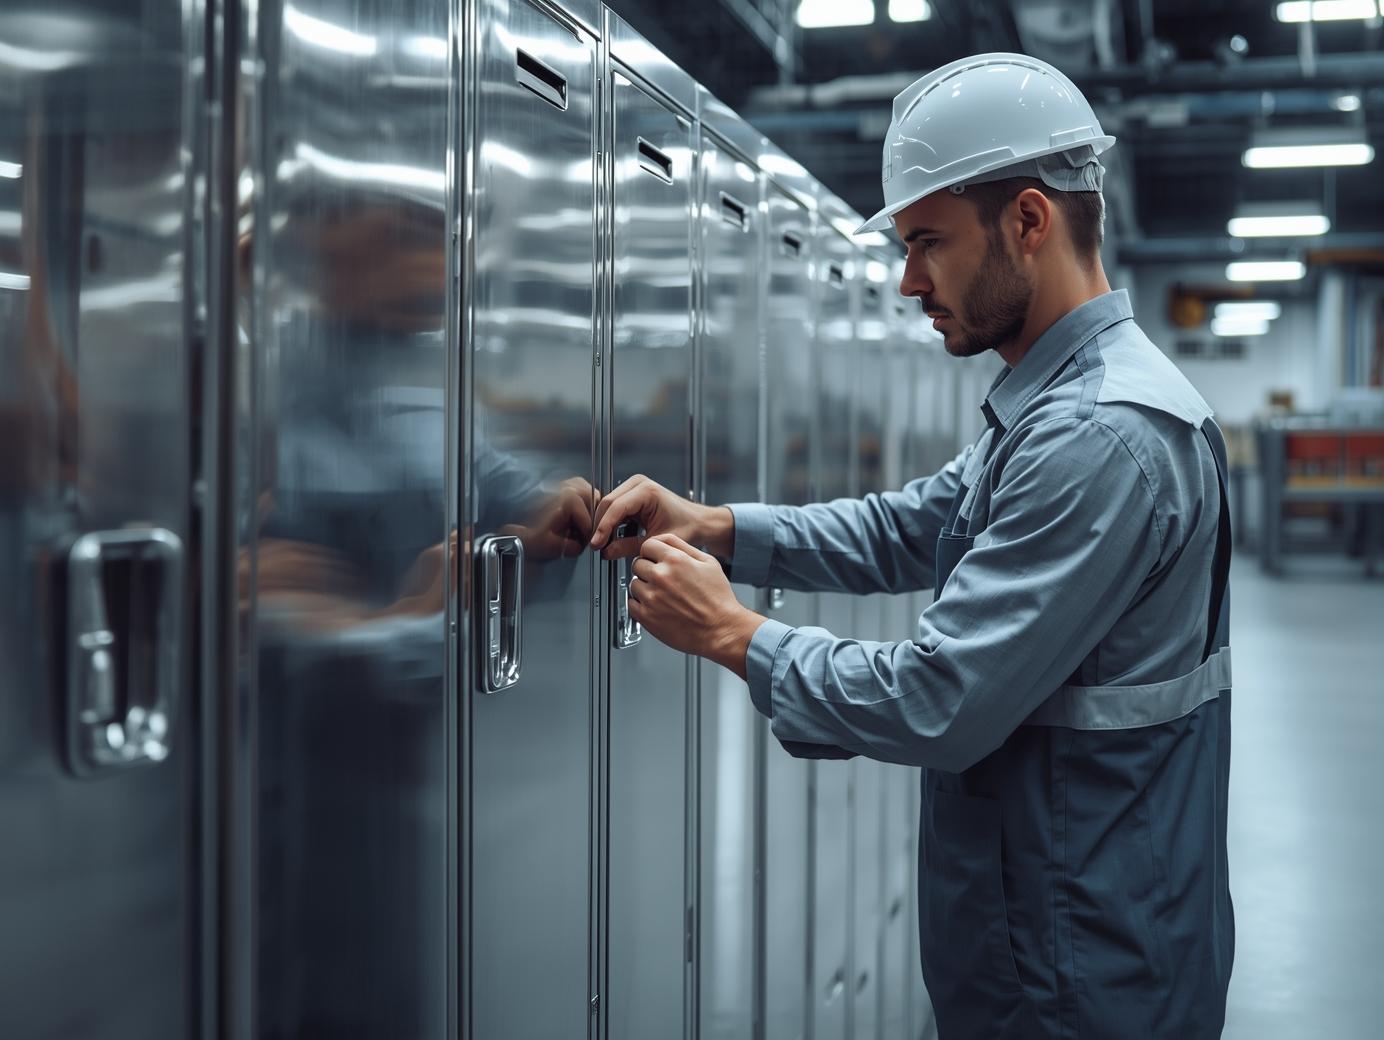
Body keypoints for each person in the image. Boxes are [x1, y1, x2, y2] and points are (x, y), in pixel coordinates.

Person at [588, 53, 1234, 1039]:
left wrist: (736, 635)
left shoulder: (1097, 434)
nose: (905, 280)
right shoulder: (1058, 404)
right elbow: (915, 523)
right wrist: (716, 527)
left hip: (1080, 969)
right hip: (1053, 932)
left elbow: (942, 700)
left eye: (928, 241)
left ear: (1028, 220)